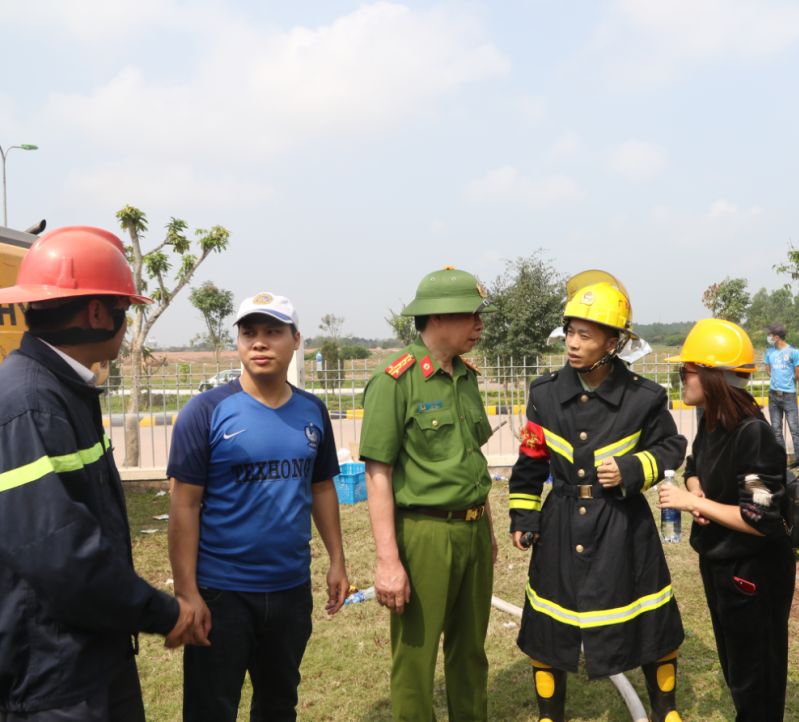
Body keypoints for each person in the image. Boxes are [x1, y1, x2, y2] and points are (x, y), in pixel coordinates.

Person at [0, 226, 197, 721]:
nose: (125, 325)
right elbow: (63, 556)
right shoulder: (32, 405)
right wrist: (164, 613)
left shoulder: (63, 389)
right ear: (96, 312)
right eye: (123, 310)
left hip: (90, 654)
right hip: (54, 677)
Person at [508, 270, 687, 722]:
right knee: (549, 622)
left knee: (651, 619)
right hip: (562, 520)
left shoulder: (644, 397)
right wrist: (524, 517)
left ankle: (665, 711)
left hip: (623, 522)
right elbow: (531, 461)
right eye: (570, 332)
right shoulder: (544, 395)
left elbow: (671, 448)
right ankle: (551, 714)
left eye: (585, 335)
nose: (572, 342)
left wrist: (633, 469)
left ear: (612, 343)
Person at [168, 292, 349, 722]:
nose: (260, 343)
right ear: (238, 343)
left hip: (289, 590)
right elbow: (184, 506)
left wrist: (337, 560)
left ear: (296, 340)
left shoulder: (312, 411)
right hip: (222, 593)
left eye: (272, 332)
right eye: (249, 333)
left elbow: (322, 488)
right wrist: (187, 592)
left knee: (278, 704)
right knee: (211, 708)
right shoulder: (205, 412)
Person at [359, 267, 498, 721]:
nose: (480, 325)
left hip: (473, 532)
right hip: (424, 535)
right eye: (472, 316)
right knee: (416, 658)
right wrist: (388, 561)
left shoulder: (465, 376)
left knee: (470, 650)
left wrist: (488, 527)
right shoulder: (395, 380)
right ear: (437, 317)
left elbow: (470, 460)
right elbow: (377, 473)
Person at [658, 318, 795, 722]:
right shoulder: (712, 422)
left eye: (686, 370)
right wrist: (698, 491)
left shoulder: (752, 434)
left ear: (712, 376)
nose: (681, 378)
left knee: (757, 676)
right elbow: (695, 465)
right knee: (737, 667)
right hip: (720, 563)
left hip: (753, 570)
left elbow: (759, 518)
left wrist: (687, 502)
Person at [763, 323, 799, 467]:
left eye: (770, 335)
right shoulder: (769, 352)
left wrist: (787, 381)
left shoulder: (794, 352)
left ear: (776, 337)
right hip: (773, 395)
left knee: (794, 428)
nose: (768, 338)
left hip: (788, 395)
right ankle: (781, 461)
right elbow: (768, 369)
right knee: (776, 429)